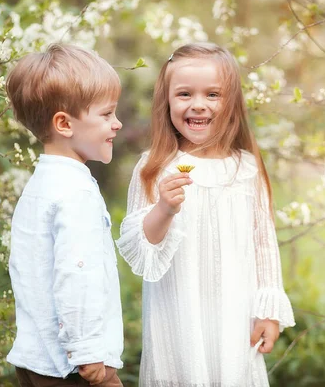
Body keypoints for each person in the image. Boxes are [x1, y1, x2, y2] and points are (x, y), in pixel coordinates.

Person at [116, 42, 295, 387]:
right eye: (184, 94)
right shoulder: (153, 168)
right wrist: (164, 210)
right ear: (166, 100)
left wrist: (268, 311)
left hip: (235, 317)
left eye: (213, 94)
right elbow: (141, 252)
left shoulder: (245, 168)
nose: (198, 104)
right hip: (178, 317)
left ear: (232, 103)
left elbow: (263, 243)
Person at [6, 43, 124, 387]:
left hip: (35, 360)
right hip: (74, 367)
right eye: (106, 114)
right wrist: (87, 349)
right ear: (64, 123)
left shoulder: (40, 184)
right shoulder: (75, 192)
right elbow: (77, 272)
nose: (117, 124)